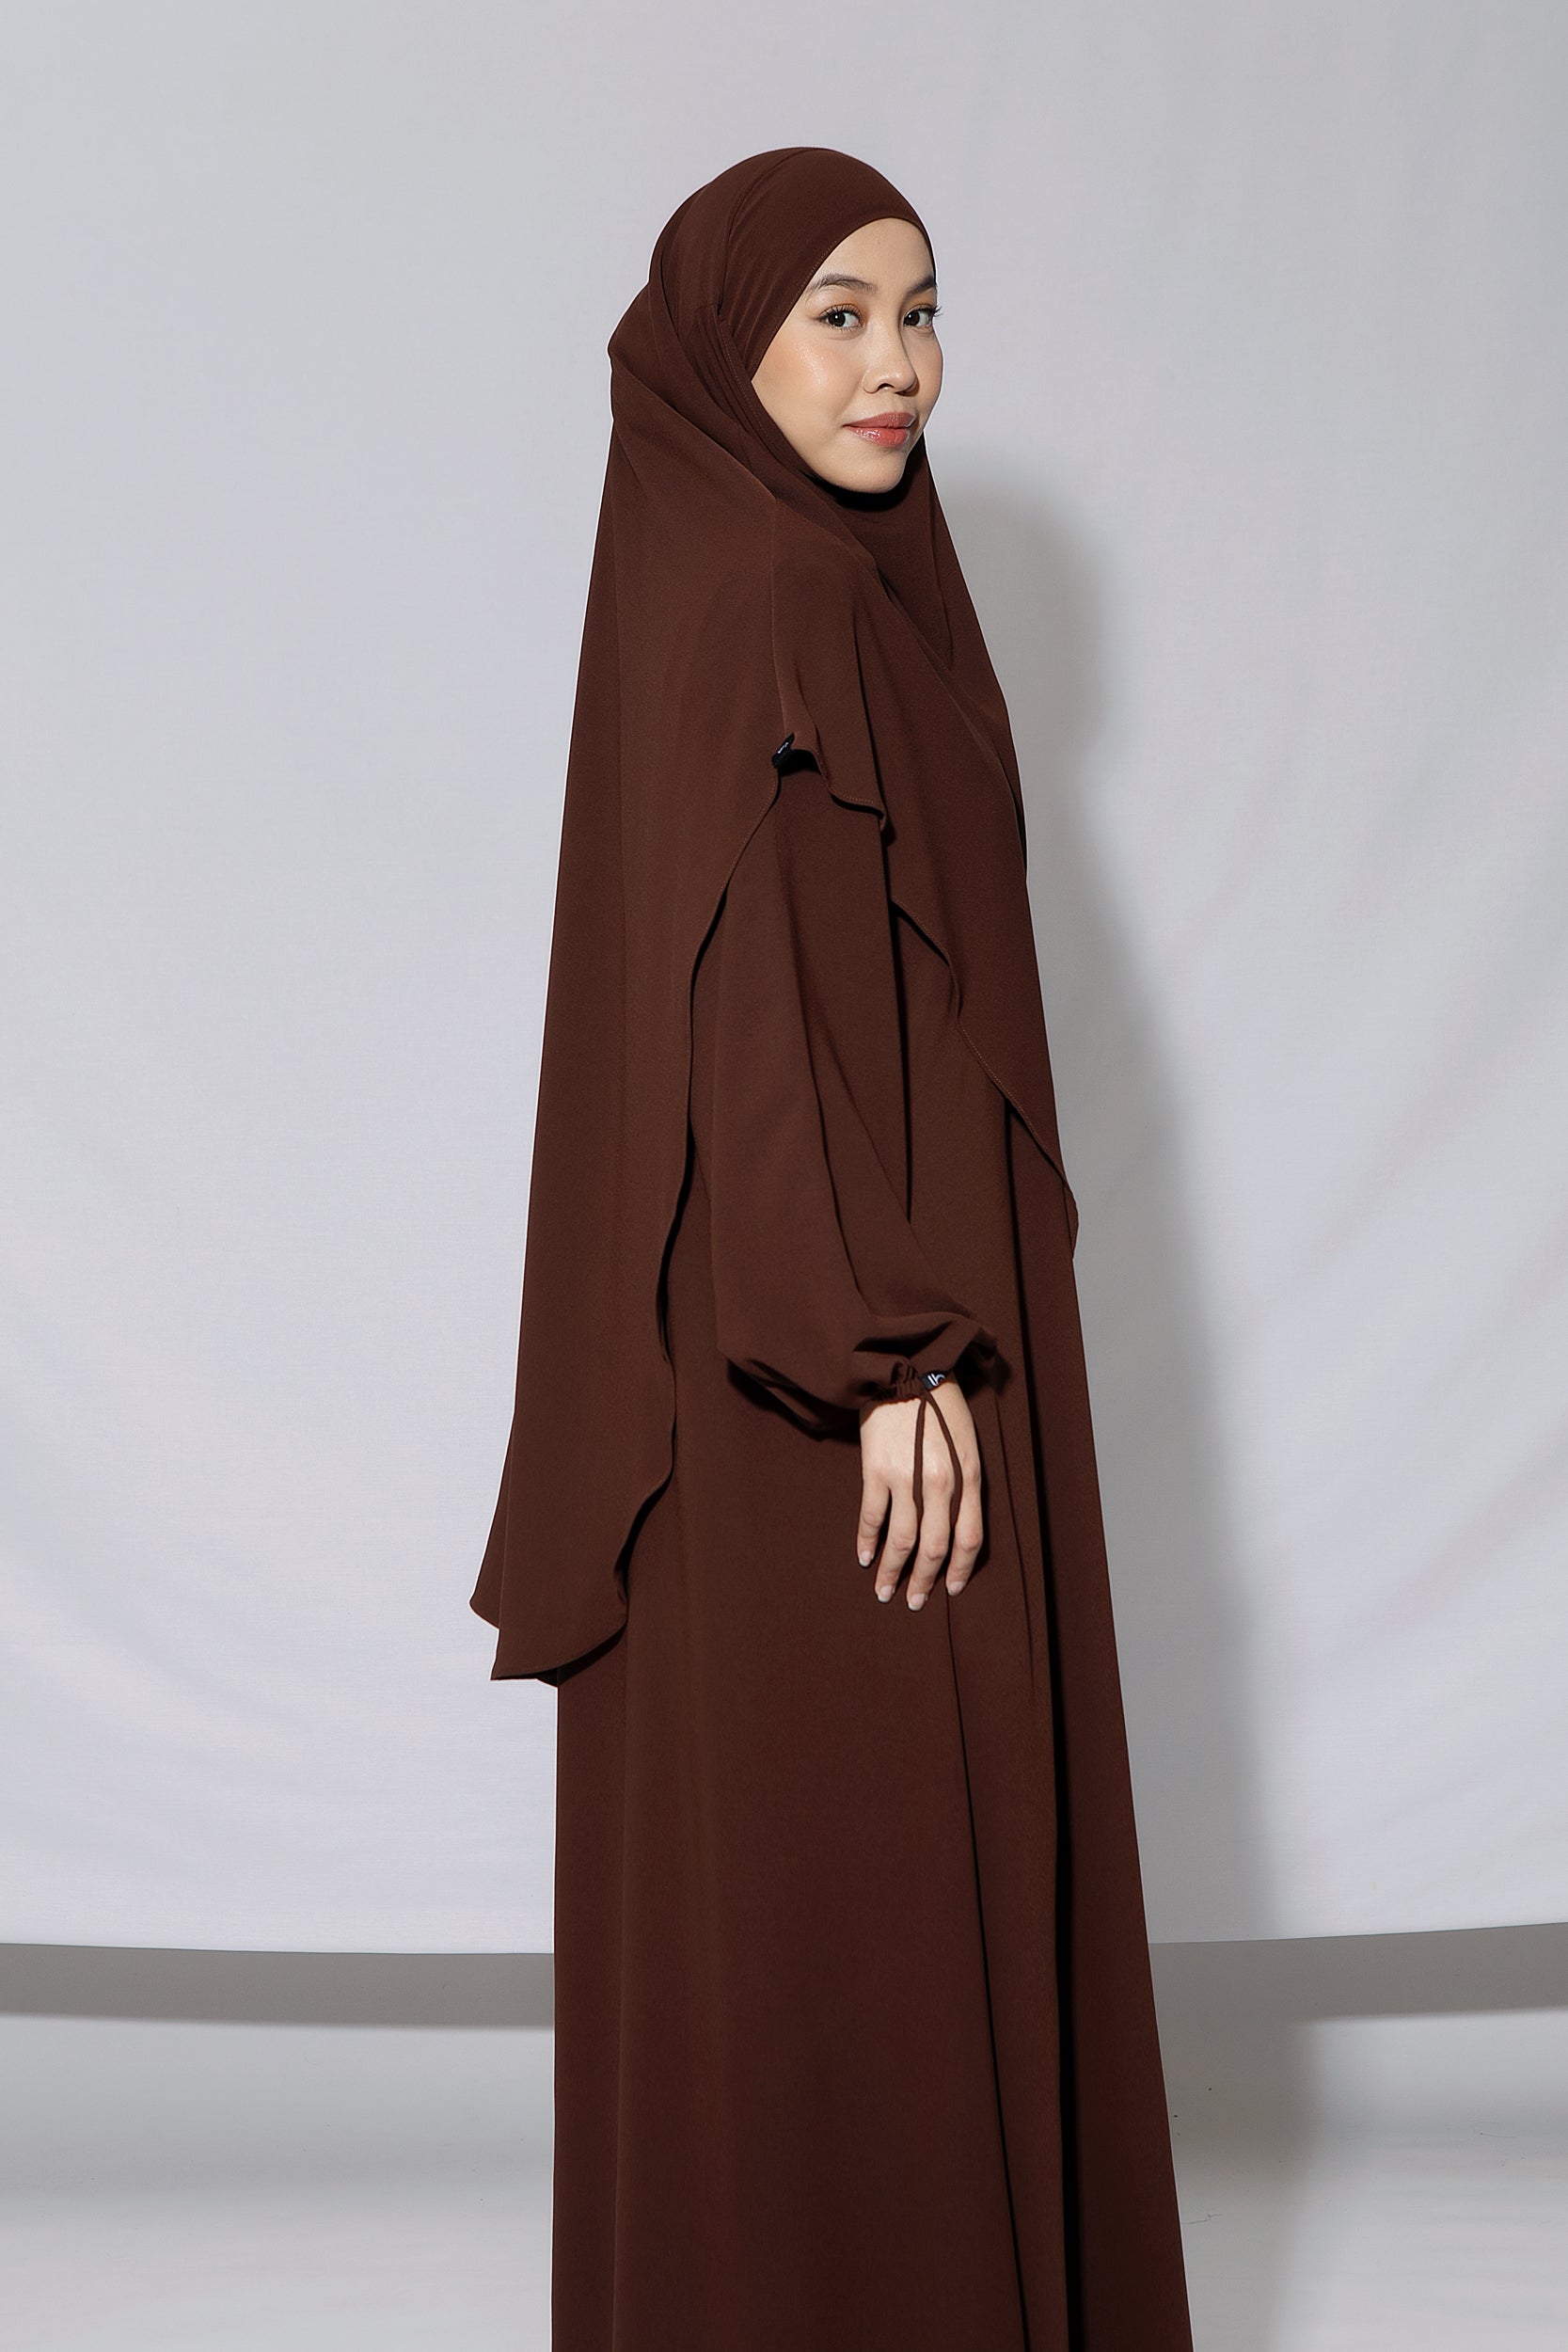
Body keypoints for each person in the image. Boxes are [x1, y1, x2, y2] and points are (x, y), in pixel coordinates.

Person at [471, 146, 1195, 2351]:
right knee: (881, 1873)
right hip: (848, 1371)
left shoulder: (760, 565)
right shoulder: (781, 595)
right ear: (729, 344)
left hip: (795, 1339)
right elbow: (739, 998)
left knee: (802, 1899)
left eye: (920, 307)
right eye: (840, 315)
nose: (902, 364)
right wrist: (883, 1352)